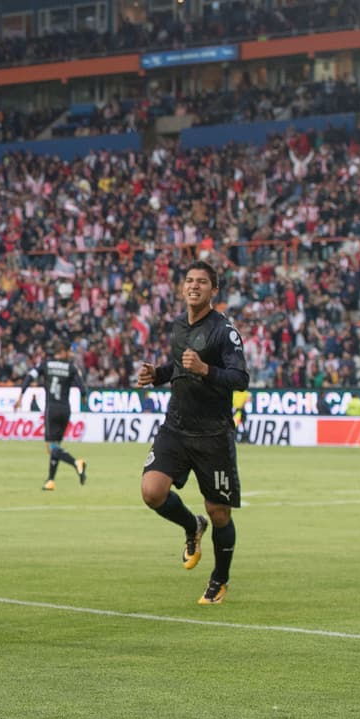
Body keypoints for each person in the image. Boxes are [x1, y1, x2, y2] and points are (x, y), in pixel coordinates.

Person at [136, 260, 249, 606]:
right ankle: (191, 525)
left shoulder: (224, 331)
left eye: (202, 282)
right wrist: (158, 374)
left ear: (214, 290)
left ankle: (220, 579)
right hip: (176, 426)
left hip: (212, 433)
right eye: (189, 281)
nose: (194, 286)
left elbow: (240, 379)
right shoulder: (178, 325)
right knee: (152, 492)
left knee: (220, 513)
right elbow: (177, 366)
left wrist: (206, 370)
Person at [15, 341, 88, 491]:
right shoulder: (71, 367)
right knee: (57, 446)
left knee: (52, 447)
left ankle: (76, 463)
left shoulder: (46, 365)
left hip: (52, 409)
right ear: (63, 352)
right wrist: (84, 397)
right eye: (70, 351)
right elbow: (82, 387)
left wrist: (21, 395)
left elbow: (30, 377)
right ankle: (50, 481)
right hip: (65, 410)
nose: (71, 354)